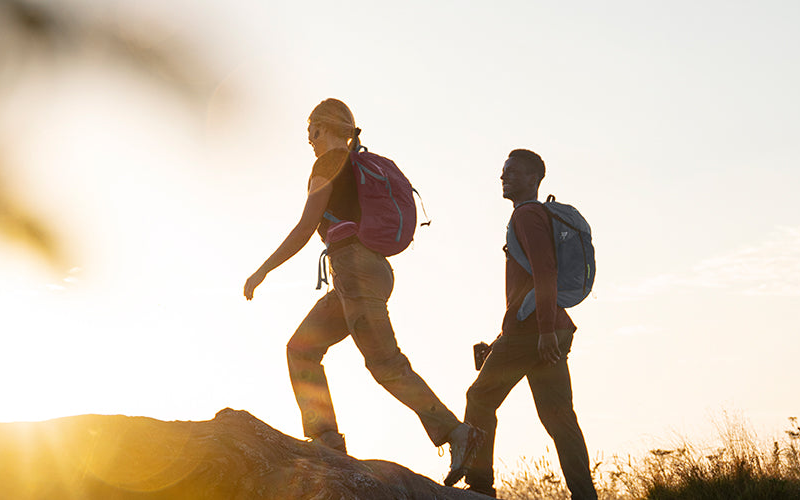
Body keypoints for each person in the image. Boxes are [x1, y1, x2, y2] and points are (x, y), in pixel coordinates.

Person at [243, 98, 482, 482]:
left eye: (311, 131)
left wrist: (262, 271)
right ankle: (327, 440)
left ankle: (457, 432)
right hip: (364, 273)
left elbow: (306, 228)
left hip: (355, 271)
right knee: (302, 349)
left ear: (327, 127)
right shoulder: (357, 165)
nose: (308, 139)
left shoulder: (327, 164)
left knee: (385, 364)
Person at [462, 149, 596, 499]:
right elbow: (530, 287)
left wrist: (544, 330)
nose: (504, 177)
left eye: (513, 172)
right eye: (503, 172)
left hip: (538, 330)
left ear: (534, 179)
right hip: (544, 328)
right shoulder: (535, 216)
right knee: (559, 419)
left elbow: (545, 269)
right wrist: (504, 338)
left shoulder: (526, 215)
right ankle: (586, 496)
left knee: (479, 398)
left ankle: (479, 488)